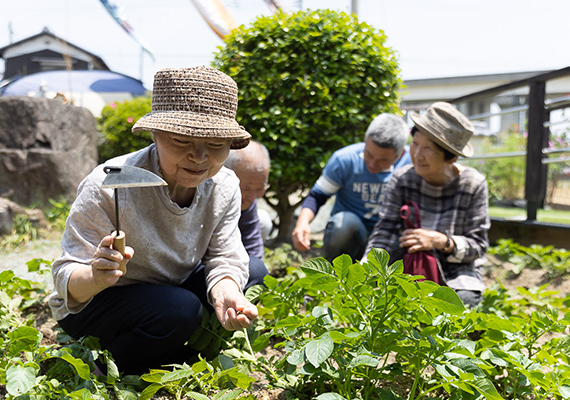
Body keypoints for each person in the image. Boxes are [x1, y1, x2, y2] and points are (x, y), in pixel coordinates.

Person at [48, 65, 268, 375]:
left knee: (253, 271)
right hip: (101, 301)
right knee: (178, 309)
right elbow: (65, 278)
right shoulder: (108, 183)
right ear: (156, 134)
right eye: (182, 141)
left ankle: (175, 351)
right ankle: (103, 365)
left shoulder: (225, 185)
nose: (200, 156)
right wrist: (96, 276)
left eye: (216, 145)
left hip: (169, 289)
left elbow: (225, 255)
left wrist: (227, 290)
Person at [364, 102, 489, 307]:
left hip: (454, 272)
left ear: (451, 157)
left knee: (462, 303)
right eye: (415, 143)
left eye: (428, 148)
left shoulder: (473, 185)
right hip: (409, 268)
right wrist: (366, 271)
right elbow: (384, 232)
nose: (417, 154)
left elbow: (478, 246)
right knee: (386, 302)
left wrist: (442, 241)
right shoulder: (401, 179)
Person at [291, 113, 411, 261]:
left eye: (383, 160)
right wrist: (302, 223)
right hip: (354, 234)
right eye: (368, 154)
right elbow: (317, 196)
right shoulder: (344, 160)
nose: (372, 164)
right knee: (343, 223)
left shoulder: (411, 164)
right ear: (365, 141)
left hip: (391, 238)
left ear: (400, 155)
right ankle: (337, 274)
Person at [224, 140, 272, 260]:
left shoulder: (248, 197)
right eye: (245, 188)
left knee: (264, 220)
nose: (252, 197)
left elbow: (253, 248)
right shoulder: (209, 194)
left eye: (260, 189)